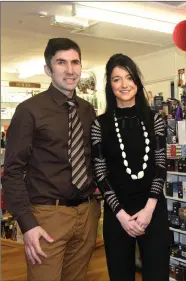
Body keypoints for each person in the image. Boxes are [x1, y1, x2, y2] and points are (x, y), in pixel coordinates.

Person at [2, 38, 101, 281]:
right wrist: (27, 224)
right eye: (61, 62)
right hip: (47, 216)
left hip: (87, 213)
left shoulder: (88, 110)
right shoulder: (29, 110)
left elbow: (94, 160)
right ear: (48, 69)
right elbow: (12, 171)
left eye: (75, 62)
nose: (70, 70)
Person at [91, 53, 170, 281]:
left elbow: (160, 166)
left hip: (152, 210)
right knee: (120, 275)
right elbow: (100, 172)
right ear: (110, 84)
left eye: (129, 77)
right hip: (118, 214)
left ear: (137, 80)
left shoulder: (155, 119)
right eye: (117, 79)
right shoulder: (100, 124)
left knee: (157, 275)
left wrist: (148, 210)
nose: (124, 85)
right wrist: (121, 215)